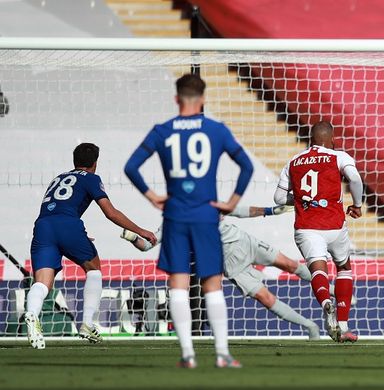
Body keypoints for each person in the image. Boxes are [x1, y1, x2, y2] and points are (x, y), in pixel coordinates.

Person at [124, 74, 254, 368]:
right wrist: (232, 202)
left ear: (176, 99)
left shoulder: (163, 131)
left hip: (175, 217)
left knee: (178, 283)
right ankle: (222, 354)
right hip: (207, 216)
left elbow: (131, 166)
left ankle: (187, 355)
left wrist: (152, 196)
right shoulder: (216, 130)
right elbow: (245, 166)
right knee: (212, 284)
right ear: (203, 99)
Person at [25, 143, 156, 349]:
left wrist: (69, 237)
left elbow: (58, 207)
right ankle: (86, 323)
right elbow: (111, 213)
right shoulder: (92, 178)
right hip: (68, 226)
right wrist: (142, 231)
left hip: (43, 227)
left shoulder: (57, 178)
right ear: (95, 163)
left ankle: (32, 314)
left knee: (42, 283)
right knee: (94, 269)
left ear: (74, 161)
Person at [121, 205, 320, 340]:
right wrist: (131, 237)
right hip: (230, 263)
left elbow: (239, 211)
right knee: (265, 298)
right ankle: (310, 326)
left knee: (290, 265)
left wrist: (271, 210)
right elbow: (146, 246)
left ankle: (328, 291)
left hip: (244, 242)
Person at [274, 120, 363, 343]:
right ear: (331, 140)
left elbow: (278, 198)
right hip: (334, 225)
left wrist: (301, 199)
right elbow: (355, 178)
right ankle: (342, 325)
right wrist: (357, 204)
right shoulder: (339, 156)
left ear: (311, 139)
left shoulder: (294, 161)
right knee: (343, 266)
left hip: (306, 226)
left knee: (317, 267)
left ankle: (325, 302)